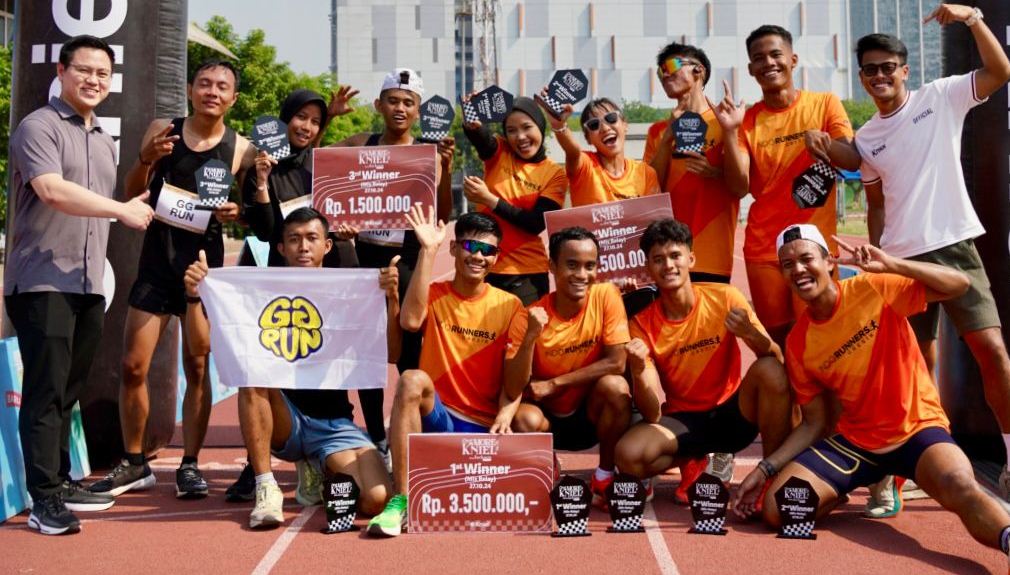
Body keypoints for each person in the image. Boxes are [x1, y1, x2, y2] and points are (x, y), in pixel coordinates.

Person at [733, 224, 1010, 562]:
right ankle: (850, 486)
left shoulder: (872, 287)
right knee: (780, 509)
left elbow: (959, 284)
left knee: (960, 487)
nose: (799, 270)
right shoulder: (798, 342)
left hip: (917, 431)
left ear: (829, 262)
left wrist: (893, 264)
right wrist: (765, 469)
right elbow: (813, 423)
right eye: (788, 264)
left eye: (806, 259)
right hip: (859, 444)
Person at [852, 5, 1010, 500]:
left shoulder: (940, 97)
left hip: (955, 248)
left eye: (887, 67)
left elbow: (1000, 71)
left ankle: (1008, 460)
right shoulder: (866, 137)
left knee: (993, 354)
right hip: (899, 262)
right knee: (915, 368)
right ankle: (914, 466)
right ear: (862, 78)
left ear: (905, 70)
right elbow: (877, 203)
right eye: (870, 69)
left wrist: (973, 18)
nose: (879, 75)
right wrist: (876, 255)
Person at [5, 34, 155, 534]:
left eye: (102, 74)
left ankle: (62, 478)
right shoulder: (39, 126)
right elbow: (51, 190)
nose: (94, 80)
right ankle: (44, 500)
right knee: (46, 392)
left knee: (68, 389)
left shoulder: (101, 140)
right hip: (43, 279)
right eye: (84, 70)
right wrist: (121, 211)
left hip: (89, 281)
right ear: (62, 72)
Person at [90, 59, 256, 499]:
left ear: (233, 98)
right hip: (156, 262)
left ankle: (189, 463)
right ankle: (134, 461)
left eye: (222, 86)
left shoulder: (242, 148)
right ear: (189, 89)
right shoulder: (163, 129)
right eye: (204, 83)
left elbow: (254, 212)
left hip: (203, 268)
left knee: (198, 366)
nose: (212, 92)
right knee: (132, 366)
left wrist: (238, 212)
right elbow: (131, 190)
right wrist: (145, 160)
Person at [181, 208, 396, 528]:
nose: (303, 247)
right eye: (294, 240)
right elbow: (200, 347)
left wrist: (392, 299)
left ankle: (318, 470)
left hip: (333, 425)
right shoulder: (257, 291)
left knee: (375, 500)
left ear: (328, 245)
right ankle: (266, 486)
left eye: (312, 238)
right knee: (251, 373)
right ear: (280, 248)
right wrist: (193, 297)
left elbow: (392, 353)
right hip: (284, 418)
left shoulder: (348, 292)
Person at [219, 88, 362, 502]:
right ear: (283, 121)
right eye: (299, 117)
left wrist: (348, 231)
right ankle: (256, 465)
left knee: (334, 359)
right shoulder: (262, 168)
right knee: (275, 363)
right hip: (282, 283)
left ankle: (333, 448)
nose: (307, 126)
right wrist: (262, 182)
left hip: (331, 274)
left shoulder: (321, 166)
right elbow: (265, 231)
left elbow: (339, 189)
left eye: (315, 121)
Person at [366, 207, 529, 537]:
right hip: (437, 419)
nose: (478, 256)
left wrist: (509, 410)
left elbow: (516, 378)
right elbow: (410, 322)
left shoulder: (510, 305)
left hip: (483, 428)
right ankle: (402, 499)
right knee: (412, 378)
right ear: (454, 249)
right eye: (470, 246)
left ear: (496, 257)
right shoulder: (435, 294)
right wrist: (428, 249)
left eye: (488, 251)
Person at [614, 219, 791, 504]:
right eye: (658, 260)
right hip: (685, 421)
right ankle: (697, 461)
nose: (668, 265)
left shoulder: (725, 297)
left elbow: (775, 358)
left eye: (675, 256)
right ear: (648, 268)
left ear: (691, 259)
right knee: (628, 455)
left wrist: (749, 334)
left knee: (770, 370)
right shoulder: (641, 323)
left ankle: (770, 475)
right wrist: (636, 368)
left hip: (734, 414)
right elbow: (649, 411)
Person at [328, 68, 456, 459]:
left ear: (417, 111)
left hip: (409, 259)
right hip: (364, 258)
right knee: (367, 350)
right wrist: (329, 118)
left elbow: (442, 215)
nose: (400, 108)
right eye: (393, 100)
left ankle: (411, 432)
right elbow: (314, 167)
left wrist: (446, 170)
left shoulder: (427, 154)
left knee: (409, 348)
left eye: (408, 103)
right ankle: (376, 437)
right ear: (379, 105)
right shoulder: (357, 144)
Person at [715, 25, 859, 348]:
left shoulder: (825, 105)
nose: (769, 63)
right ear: (751, 70)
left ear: (793, 59)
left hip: (815, 249)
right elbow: (738, 187)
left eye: (775, 54)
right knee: (780, 344)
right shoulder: (747, 121)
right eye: (758, 59)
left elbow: (851, 159)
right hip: (764, 250)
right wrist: (728, 132)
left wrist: (823, 142)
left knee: (823, 337)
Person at [508, 227, 632, 507]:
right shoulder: (530, 317)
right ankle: (547, 464)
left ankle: (604, 474)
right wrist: (529, 338)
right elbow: (513, 385)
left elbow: (617, 361)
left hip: (591, 415)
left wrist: (555, 383)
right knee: (522, 418)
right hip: (548, 420)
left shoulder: (606, 295)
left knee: (617, 386)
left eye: (590, 266)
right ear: (552, 266)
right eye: (572, 265)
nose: (581, 275)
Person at [644, 42, 738, 285]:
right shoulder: (657, 131)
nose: (665, 74)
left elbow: (742, 185)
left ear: (699, 71)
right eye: (660, 71)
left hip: (711, 253)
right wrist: (667, 140)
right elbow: (648, 188)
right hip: (668, 256)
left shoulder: (726, 121)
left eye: (672, 65)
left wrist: (715, 172)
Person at [461, 96, 568, 305]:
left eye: (527, 127)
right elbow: (482, 138)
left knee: (525, 337)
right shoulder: (500, 153)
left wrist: (490, 200)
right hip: (483, 265)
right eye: (511, 130)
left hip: (527, 274)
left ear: (540, 127)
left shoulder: (555, 174)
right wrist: (472, 120)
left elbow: (535, 223)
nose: (520, 137)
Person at [540, 95, 659, 207]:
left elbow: (654, 217)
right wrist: (559, 125)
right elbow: (573, 151)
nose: (605, 128)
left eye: (611, 118)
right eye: (594, 125)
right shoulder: (585, 166)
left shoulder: (645, 173)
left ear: (625, 125)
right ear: (588, 139)